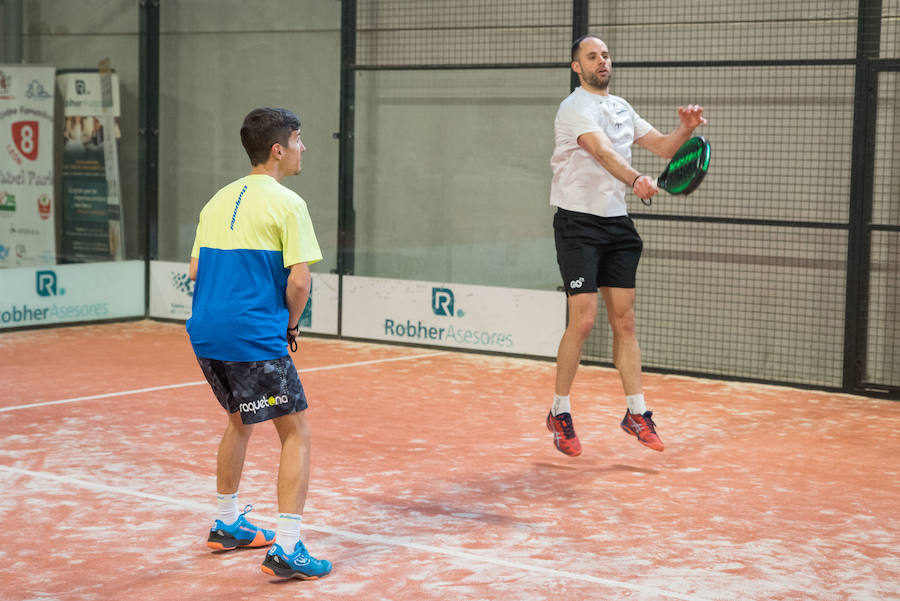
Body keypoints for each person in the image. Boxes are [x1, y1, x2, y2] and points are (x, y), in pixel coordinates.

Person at [186, 107, 331, 579]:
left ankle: (227, 522)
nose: (303, 148)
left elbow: (194, 271)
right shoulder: (289, 204)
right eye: (299, 139)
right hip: (253, 336)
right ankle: (288, 547)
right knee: (296, 431)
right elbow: (300, 283)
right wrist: (289, 326)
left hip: (206, 334)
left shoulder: (215, 200)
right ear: (277, 149)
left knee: (239, 421)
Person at [545, 35, 706, 457]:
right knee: (583, 321)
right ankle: (559, 411)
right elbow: (600, 152)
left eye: (605, 55)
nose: (602, 61)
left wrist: (685, 129)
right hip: (578, 224)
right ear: (576, 67)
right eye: (592, 56)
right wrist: (636, 179)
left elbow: (665, 147)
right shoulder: (573, 108)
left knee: (626, 322)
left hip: (617, 226)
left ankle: (637, 413)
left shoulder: (620, 108)